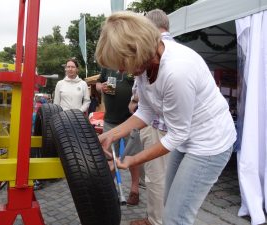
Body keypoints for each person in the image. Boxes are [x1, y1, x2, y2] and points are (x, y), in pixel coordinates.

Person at [95, 11, 236, 225]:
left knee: (175, 217)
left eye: (122, 63)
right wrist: (111, 135)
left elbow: (177, 134)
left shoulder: (177, 70)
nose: (121, 70)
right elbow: (146, 111)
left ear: (136, 49)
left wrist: (132, 159)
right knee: (169, 203)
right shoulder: (146, 64)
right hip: (187, 138)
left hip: (210, 143)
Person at [127, 9, 175, 225]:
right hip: (161, 124)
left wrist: (136, 99)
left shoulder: (158, 53)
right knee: (162, 176)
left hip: (158, 125)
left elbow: (150, 96)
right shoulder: (175, 49)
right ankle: (156, 217)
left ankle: (156, 221)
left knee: (156, 178)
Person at [96, 68, 140, 205]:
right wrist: (101, 87)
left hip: (131, 120)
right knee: (109, 158)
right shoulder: (107, 67)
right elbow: (98, 83)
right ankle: (110, 190)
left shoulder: (134, 64)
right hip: (110, 120)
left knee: (133, 157)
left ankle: (135, 190)